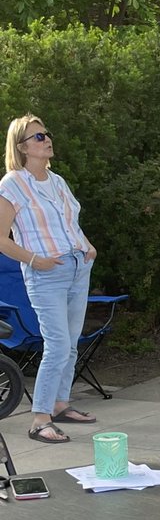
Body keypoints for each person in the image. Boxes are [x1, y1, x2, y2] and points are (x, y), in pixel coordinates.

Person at [0, 116, 97, 444]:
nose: (46, 140)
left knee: (70, 343)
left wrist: (87, 246)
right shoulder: (12, 184)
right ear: (22, 146)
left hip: (77, 267)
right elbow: (1, 238)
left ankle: (59, 403)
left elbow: (70, 223)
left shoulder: (57, 181)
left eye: (47, 134)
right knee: (57, 344)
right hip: (45, 274)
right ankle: (39, 419)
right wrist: (34, 260)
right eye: (38, 136)